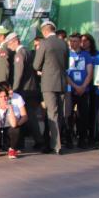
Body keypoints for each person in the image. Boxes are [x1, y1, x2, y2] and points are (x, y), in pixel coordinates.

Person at [32, 21, 69, 155]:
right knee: (60, 113)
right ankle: (58, 142)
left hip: (48, 82)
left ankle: (56, 145)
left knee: (52, 113)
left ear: (44, 31)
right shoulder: (63, 43)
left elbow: (36, 65)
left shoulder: (44, 43)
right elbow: (66, 64)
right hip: (61, 81)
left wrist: (43, 69)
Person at [8, 32, 44, 150]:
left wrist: (14, 89)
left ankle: (38, 141)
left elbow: (18, 74)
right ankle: (27, 141)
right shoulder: (28, 51)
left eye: (10, 43)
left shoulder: (20, 53)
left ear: (15, 41)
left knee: (27, 116)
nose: (9, 46)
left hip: (24, 89)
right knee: (29, 115)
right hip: (32, 88)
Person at [64, 33, 93, 149]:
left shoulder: (86, 55)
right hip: (70, 89)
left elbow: (90, 73)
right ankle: (69, 139)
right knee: (68, 115)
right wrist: (75, 86)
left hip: (84, 90)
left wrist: (83, 86)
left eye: (75, 41)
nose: (73, 43)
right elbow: (64, 73)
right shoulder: (66, 54)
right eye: (71, 41)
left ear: (80, 42)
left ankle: (82, 139)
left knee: (83, 115)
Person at [0, 82, 27, 159]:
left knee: (15, 129)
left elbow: (14, 124)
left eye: (5, 96)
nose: (3, 99)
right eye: (1, 97)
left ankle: (12, 149)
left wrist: (10, 109)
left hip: (8, 128)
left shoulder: (13, 104)